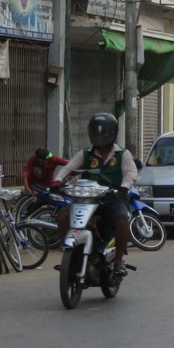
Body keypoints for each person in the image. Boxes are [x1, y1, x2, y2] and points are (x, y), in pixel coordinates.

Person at [51, 113, 138, 277]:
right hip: (86, 200)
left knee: (121, 221)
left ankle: (118, 260)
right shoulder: (85, 153)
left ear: (112, 133)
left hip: (112, 199)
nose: (99, 135)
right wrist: (58, 180)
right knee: (62, 217)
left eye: (103, 132)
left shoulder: (123, 154)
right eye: (96, 131)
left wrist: (124, 187)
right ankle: (70, 255)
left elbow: (131, 173)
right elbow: (68, 168)